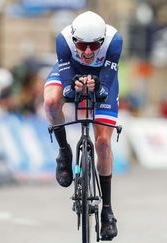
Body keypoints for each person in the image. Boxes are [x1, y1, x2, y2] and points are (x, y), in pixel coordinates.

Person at [43, 11, 122, 241]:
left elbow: (105, 88)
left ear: (103, 40)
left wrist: (97, 86)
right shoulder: (64, 40)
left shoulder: (114, 41)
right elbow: (67, 89)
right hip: (72, 72)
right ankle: (64, 151)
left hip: (101, 76)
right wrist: (74, 86)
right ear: (74, 38)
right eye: (82, 45)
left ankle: (107, 210)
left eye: (94, 45)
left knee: (104, 143)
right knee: (50, 101)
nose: (88, 51)